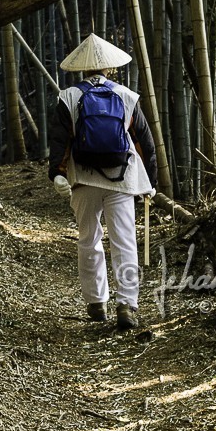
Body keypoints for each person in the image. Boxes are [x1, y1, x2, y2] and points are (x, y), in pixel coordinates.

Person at [47, 33, 157, 331]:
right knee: (124, 240)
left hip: (84, 178)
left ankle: (96, 302)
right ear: (109, 67)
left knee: (89, 239)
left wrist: (57, 172)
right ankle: (127, 305)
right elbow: (144, 142)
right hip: (122, 178)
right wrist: (151, 180)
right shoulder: (126, 95)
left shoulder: (68, 96)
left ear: (81, 67)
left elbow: (60, 140)